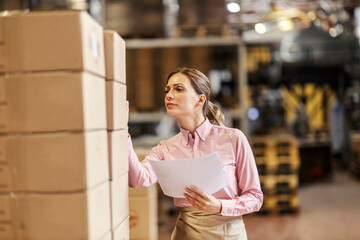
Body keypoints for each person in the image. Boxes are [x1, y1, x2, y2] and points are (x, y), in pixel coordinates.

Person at [128, 67, 263, 240]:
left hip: (228, 234)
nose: (169, 95)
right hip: (188, 233)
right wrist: (123, 131)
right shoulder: (165, 148)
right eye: (167, 90)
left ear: (200, 100)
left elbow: (255, 197)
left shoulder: (233, 139)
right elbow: (137, 179)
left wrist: (220, 206)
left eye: (178, 89)